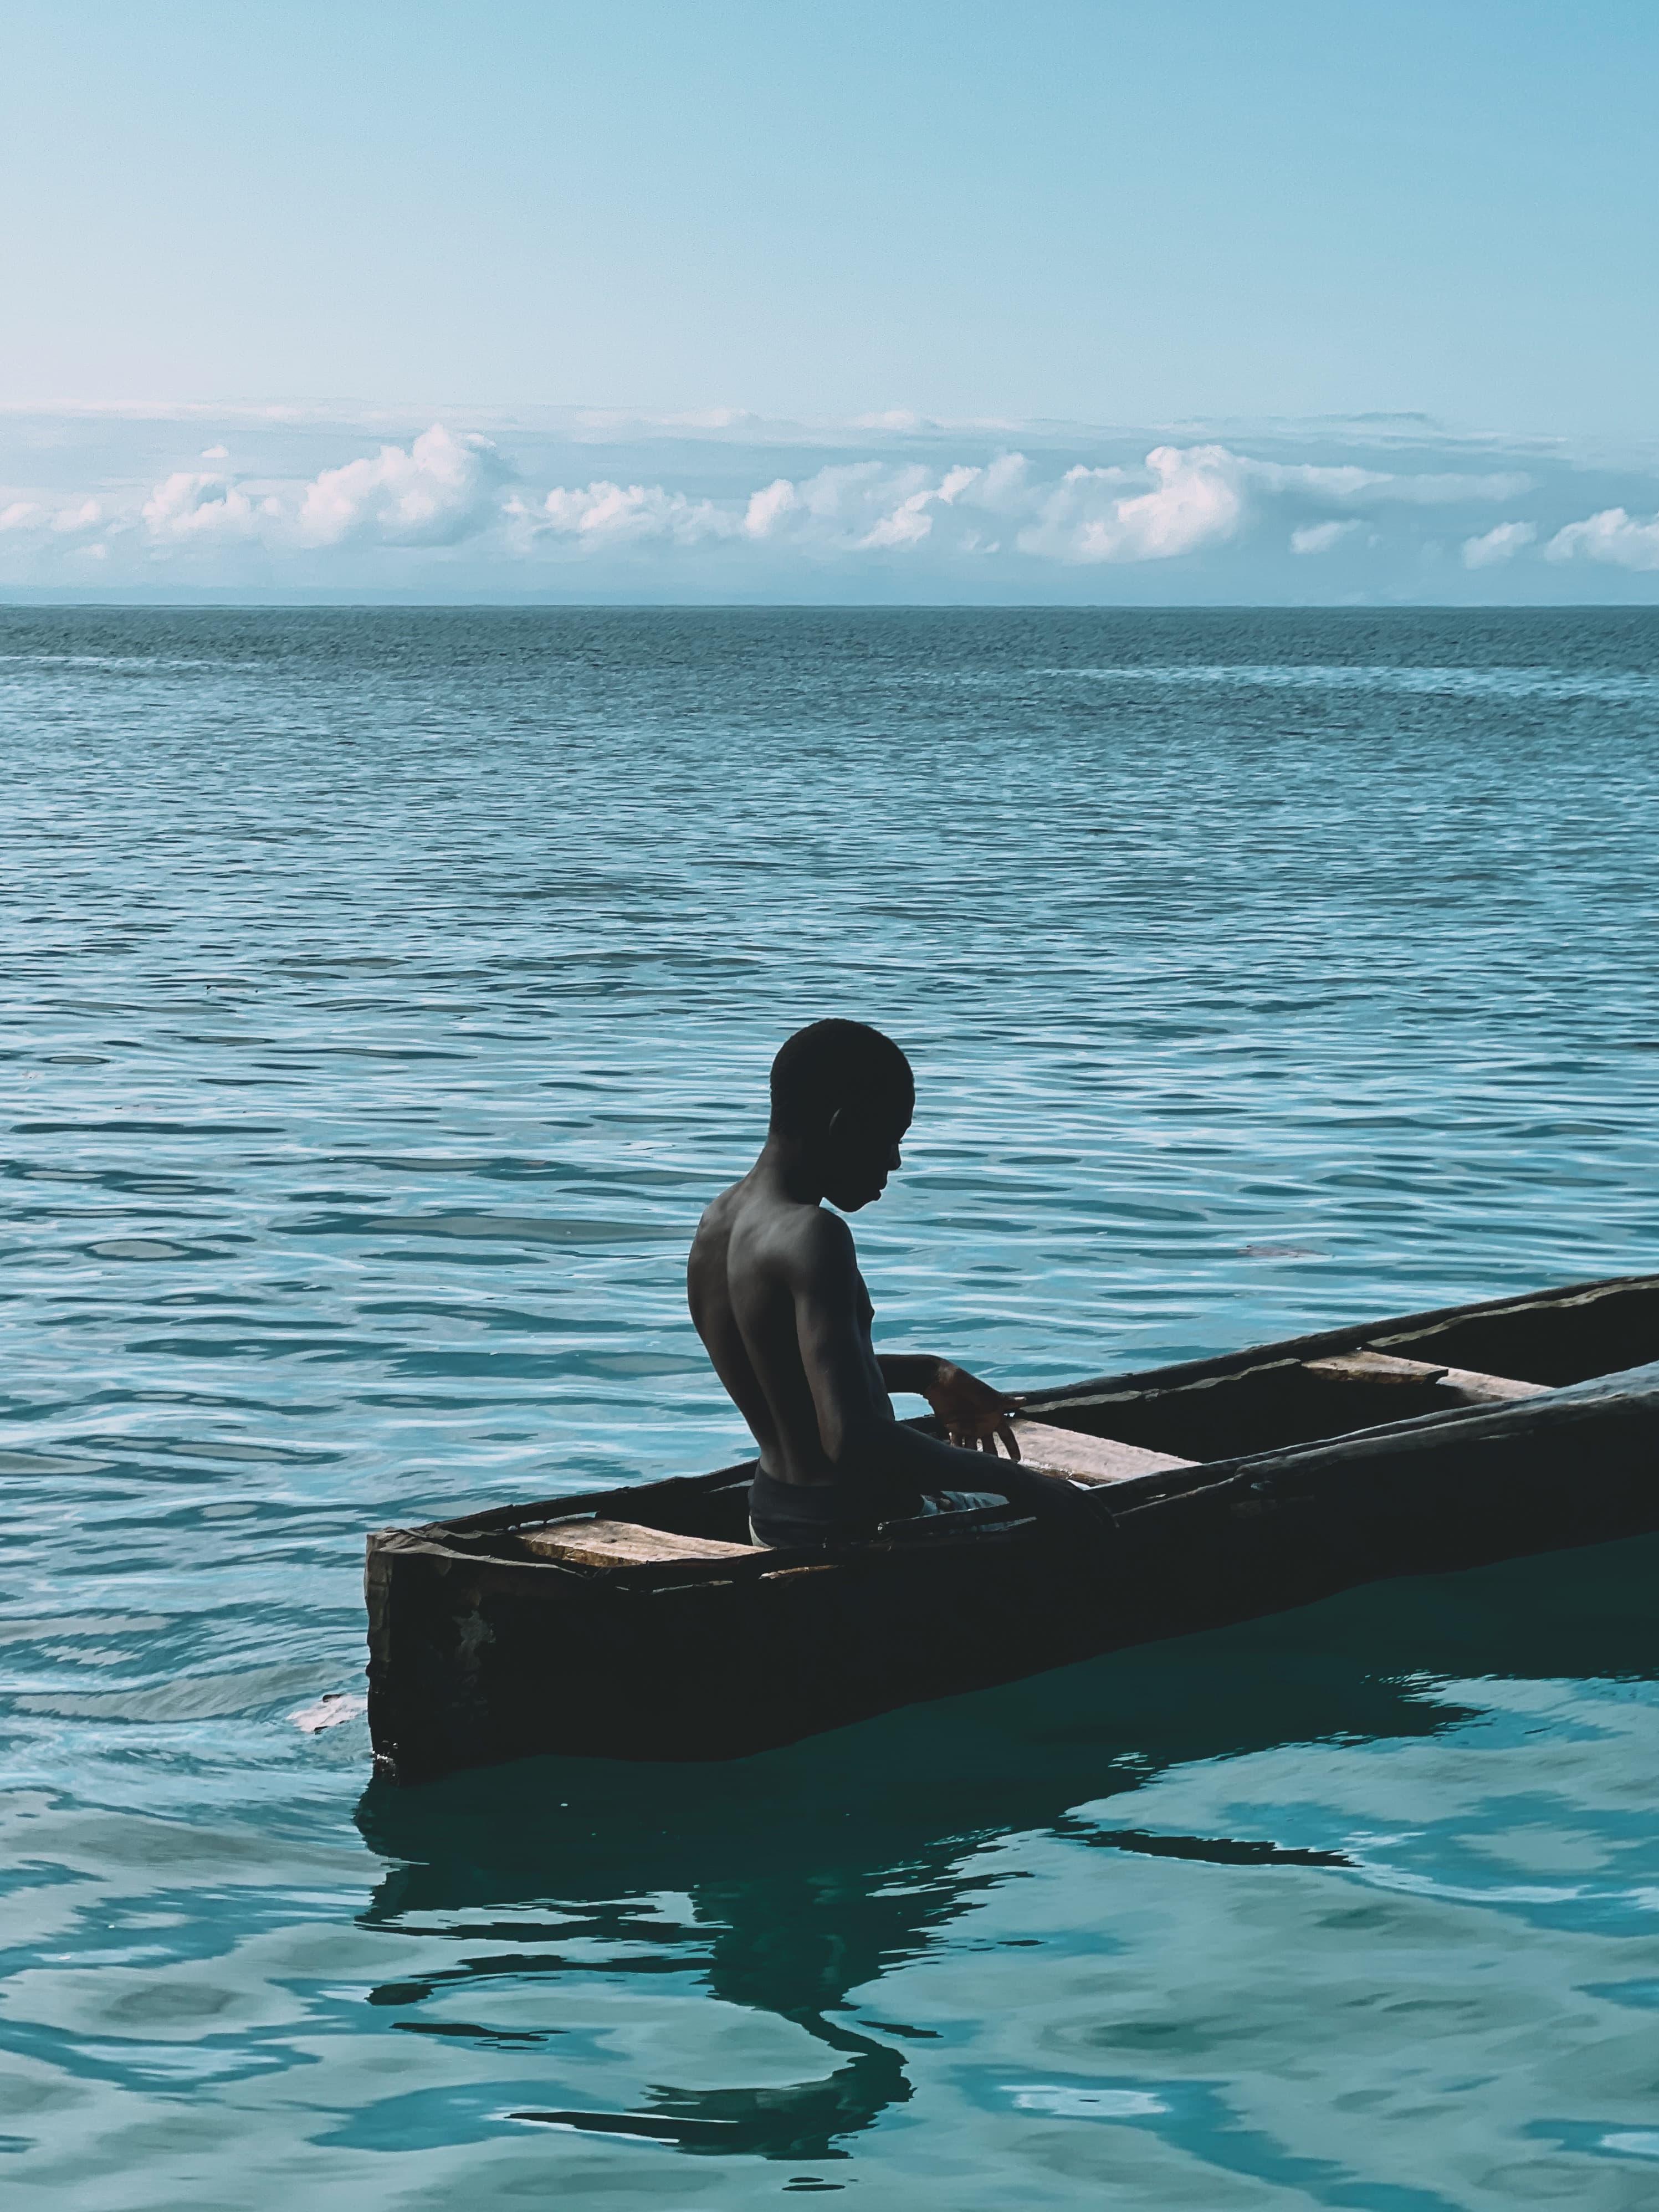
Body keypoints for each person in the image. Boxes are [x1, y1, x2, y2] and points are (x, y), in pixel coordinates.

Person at [688, 1018, 1099, 1550]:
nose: (895, 1162)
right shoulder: (814, 1235)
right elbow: (853, 1441)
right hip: (861, 1528)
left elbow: (783, 1374)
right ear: (845, 1127)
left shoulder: (716, 1224)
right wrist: (1019, 1481)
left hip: (772, 1517)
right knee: (1079, 1508)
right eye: (890, 1139)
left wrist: (928, 1373)